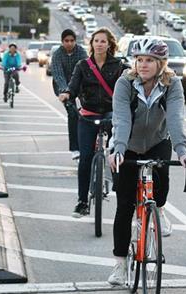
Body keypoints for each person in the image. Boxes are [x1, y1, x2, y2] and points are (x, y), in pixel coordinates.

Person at [106, 38, 186, 285]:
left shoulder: (172, 84)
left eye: (149, 61)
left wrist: (182, 150)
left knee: (161, 186)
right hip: (128, 145)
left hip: (157, 141)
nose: (143, 65)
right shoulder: (125, 83)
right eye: (140, 60)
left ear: (161, 63)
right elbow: (121, 120)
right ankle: (120, 265)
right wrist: (119, 149)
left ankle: (159, 210)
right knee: (124, 206)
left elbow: (176, 118)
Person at [60, 27, 127, 218]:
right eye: (96, 41)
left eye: (103, 41)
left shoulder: (119, 66)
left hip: (112, 115)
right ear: (92, 44)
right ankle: (82, 201)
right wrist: (66, 94)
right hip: (87, 116)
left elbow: (131, 81)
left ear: (109, 44)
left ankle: (121, 189)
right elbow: (73, 87)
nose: (99, 44)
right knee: (86, 158)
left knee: (118, 154)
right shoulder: (83, 65)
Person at [51, 29, 88, 160]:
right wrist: (66, 91)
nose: (69, 43)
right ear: (62, 42)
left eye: (72, 40)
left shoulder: (81, 51)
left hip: (81, 86)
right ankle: (75, 148)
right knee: (72, 114)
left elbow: (86, 70)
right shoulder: (57, 54)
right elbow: (58, 74)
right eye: (66, 41)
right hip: (63, 87)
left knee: (89, 112)